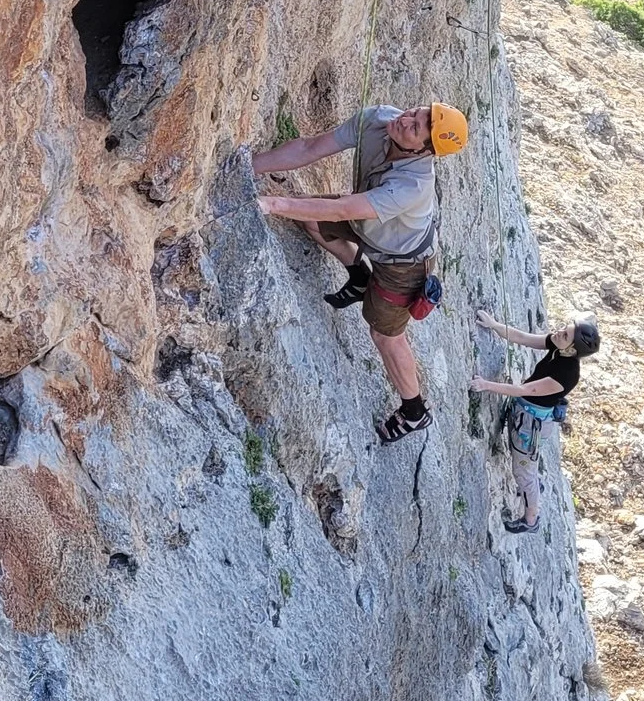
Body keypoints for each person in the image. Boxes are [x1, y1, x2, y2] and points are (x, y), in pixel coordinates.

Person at [253, 102, 470, 442]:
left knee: (385, 335)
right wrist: (249, 166)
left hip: (403, 264)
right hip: (367, 221)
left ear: (425, 150)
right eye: (416, 112)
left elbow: (341, 210)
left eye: (416, 127)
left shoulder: (413, 185)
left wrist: (273, 204)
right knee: (311, 220)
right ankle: (358, 276)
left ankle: (414, 411)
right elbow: (310, 147)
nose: (406, 120)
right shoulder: (378, 119)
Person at [469, 311, 600, 533]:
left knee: (522, 471)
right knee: (525, 467)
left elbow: (524, 390)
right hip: (527, 416)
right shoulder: (559, 346)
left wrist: (485, 385)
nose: (559, 332)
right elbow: (524, 338)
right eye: (564, 328)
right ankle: (531, 485)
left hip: (530, 424)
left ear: (572, 349)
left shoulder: (567, 374)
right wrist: (494, 325)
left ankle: (531, 520)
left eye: (565, 334)